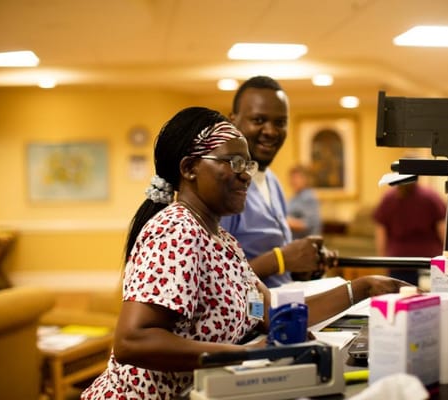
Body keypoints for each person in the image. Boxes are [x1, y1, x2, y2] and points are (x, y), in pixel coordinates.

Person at [81, 106, 411, 399]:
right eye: (234, 162)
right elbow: (132, 342)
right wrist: (242, 355)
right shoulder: (177, 229)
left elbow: (275, 315)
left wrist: (362, 288)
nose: (246, 175)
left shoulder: (221, 239)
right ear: (189, 168)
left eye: (248, 163)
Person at [220, 76, 335, 287]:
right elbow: (216, 280)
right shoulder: (224, 185)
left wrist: (304, 265)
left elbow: (277, 273)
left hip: (282, 308)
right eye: (258, 120)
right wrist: (281, 259)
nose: (271, 131)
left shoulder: (272, 182)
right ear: (233, 121)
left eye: (280, 123)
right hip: (244, 316)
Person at [372, 176, 447, 285]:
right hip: (428, 262)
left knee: (400, 298)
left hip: (398, 262)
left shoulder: (388, 198)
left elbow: (381, 235)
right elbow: (443, 232)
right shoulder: (430, 196)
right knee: (428, 299)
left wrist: (383, 260)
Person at [286, 164, 322, 239]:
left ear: (305, 179)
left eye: (296, 178)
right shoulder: (295, 197)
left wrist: (284, 221)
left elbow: (308, 224)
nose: (293, 181)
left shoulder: (308, 197)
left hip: (306, 246)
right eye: (292, 178)